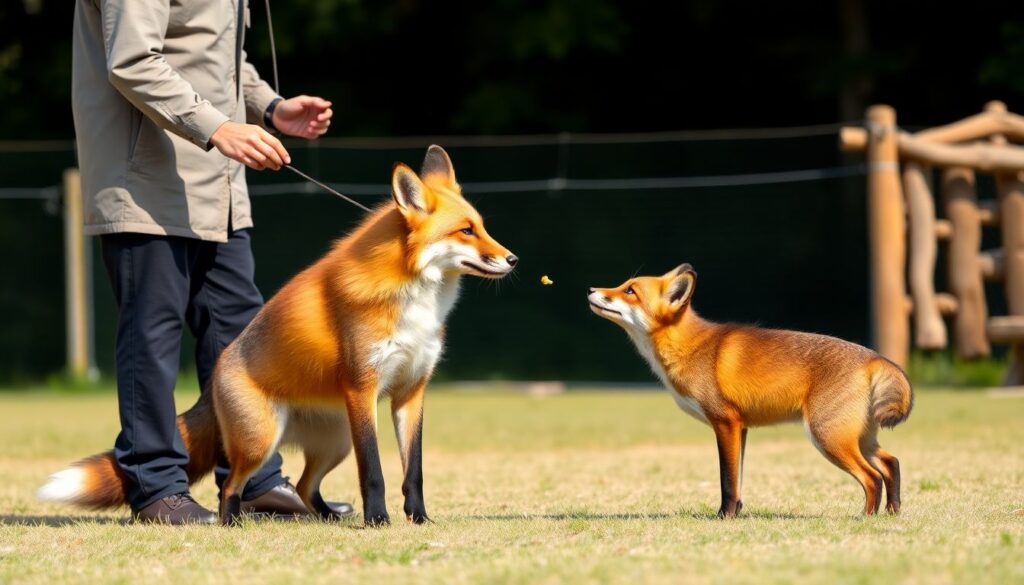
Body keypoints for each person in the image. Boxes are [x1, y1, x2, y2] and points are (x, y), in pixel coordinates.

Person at [72, 0, 353, 524]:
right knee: (151, 336)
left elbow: (219, 59)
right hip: (145, 184)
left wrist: (269, 107)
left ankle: (254, 481)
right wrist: (221, 128)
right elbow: (131, 61)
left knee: (244, 333)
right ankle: (154, 486)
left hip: (218, 189)